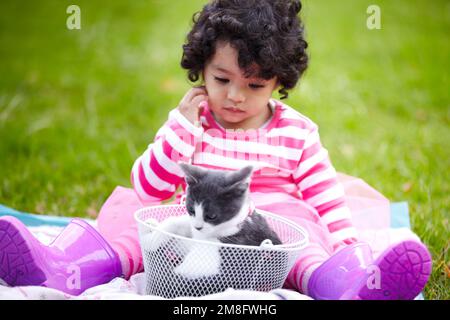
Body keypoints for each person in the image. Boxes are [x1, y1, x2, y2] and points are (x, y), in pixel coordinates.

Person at [0, 0, 431, 299]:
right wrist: (181, 131)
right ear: (201, 69)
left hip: (266, 240)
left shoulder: (297, 132)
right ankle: (61, 267)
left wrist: (345, 246)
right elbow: (150, 189)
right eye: (222, 79)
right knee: (131, 216)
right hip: (191, 229)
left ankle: (343, 284)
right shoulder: (192, 122)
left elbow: (326, 198)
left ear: (279, 83)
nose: (235, 97)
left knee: (305, 233)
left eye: (255, 85)